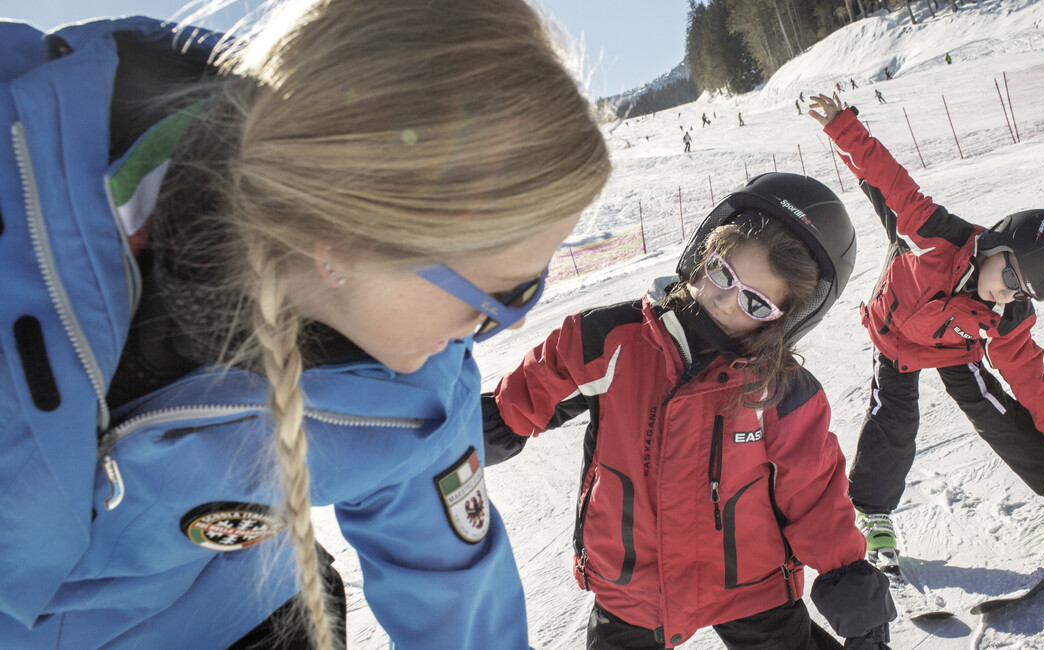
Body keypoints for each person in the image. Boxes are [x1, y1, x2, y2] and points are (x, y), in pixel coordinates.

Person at [0, 0, 610, 648]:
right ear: (342, 239)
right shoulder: (24, 168)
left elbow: (459, 606)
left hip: (224, 620)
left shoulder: (414, 397)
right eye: (501, 293)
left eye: (531, 286)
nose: (503, 325)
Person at [482, 173, 896, 649]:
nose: (723, 300)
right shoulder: (612, 341)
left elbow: (815, 498)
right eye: (722, 272)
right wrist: (451, 442)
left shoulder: (781, 390)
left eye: (755, 302)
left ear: (789, 317)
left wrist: (855, 598)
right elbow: (526, 396)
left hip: (748, 582)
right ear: (705, 249)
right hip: (633, 583)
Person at [807, 93, 1044, 570]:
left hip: (952, 350)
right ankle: (871, 514)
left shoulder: (1004, 315)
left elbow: (1027, 374)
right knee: (893, 418)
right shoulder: (936, 235)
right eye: (1010, 278)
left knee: (990, 408)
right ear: (997, 246)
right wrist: (844, 127)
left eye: (1021, 293)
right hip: (895, 337)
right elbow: (889, 176)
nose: (1009, 294)